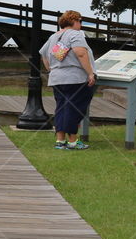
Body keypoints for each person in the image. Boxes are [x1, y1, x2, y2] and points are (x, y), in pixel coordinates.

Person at [40, 10, 96, 150]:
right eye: (80, 21)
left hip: (57, 78)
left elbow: (44, 55)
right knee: (74, 109)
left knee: (61, 108)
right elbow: (81, 53)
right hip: (75, 78)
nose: (81, 24)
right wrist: (90, 73)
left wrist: (52, 70)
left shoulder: (54, 36)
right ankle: (72, 141)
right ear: (74, 21)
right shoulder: (75, 34)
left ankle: (60, 140)